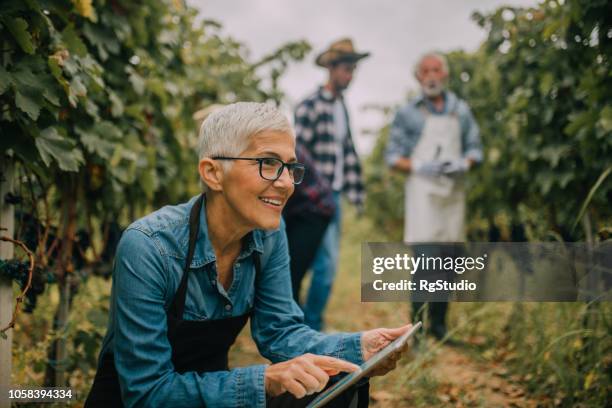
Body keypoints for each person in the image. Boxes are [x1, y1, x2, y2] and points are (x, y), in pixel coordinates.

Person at [85, 102, 412, 408]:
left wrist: (359, 348)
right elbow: (148, 393)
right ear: (213, 173)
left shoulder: (270, 234)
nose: (286, 183)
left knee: (336, 380)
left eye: (289, 167)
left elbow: (279, 331)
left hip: (210, 396)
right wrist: (264, 381)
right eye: (268, 163)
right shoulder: (148, 247)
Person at [385, 53, 483, 340]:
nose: (431, 75)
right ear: (418, 77)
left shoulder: (461, 111)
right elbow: (393, 157)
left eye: (436, 70)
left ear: (445, 75)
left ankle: (439, 328)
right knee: (426, 263)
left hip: (452, 196)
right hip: (423, 196)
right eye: (425, 70)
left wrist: (464, 164)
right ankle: (415, 330)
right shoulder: (408, 113)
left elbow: (475, 148)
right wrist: (420, 166)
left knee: (448, 262)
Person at [294, 38, 368, 331]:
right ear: (332, 69)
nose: (350, 76)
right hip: (312, 199)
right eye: (346, 69)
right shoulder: (309, 106)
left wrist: (357, 192)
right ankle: (309, 325)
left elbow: (346, 152)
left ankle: (307, 321)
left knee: (322, 264)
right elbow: (298, 154)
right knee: (319, 264)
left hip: (333, 196)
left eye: (353, 70)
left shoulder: (342, 108)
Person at [283, 144, 336, 305]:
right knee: (287, 274)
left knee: (291, 275)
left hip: (314, 210)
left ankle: (293, 324)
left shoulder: (285, 148)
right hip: (296, 209)